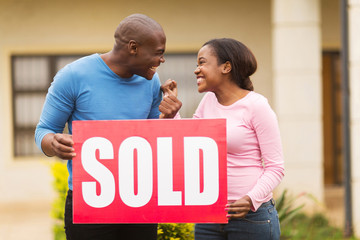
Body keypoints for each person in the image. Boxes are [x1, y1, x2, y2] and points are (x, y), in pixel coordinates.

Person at [35, 13, 178, 240]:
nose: (161, 60)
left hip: (139, 198)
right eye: (159, 53)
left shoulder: (151, 81)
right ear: (133, 47)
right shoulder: (73, 76)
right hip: (90, 201)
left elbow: (153, 139)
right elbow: (43, 131)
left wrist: (168, 117)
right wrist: (53, 143)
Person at [160, 38, 285, 240]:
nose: (196, 70)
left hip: (251, 218)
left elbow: (276, 167)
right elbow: (190, 145)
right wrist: (172, 111)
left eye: (202, 62)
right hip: (210, 216)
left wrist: (251, 199)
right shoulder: (208, 101)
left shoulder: (257, 106)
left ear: (226, 67)